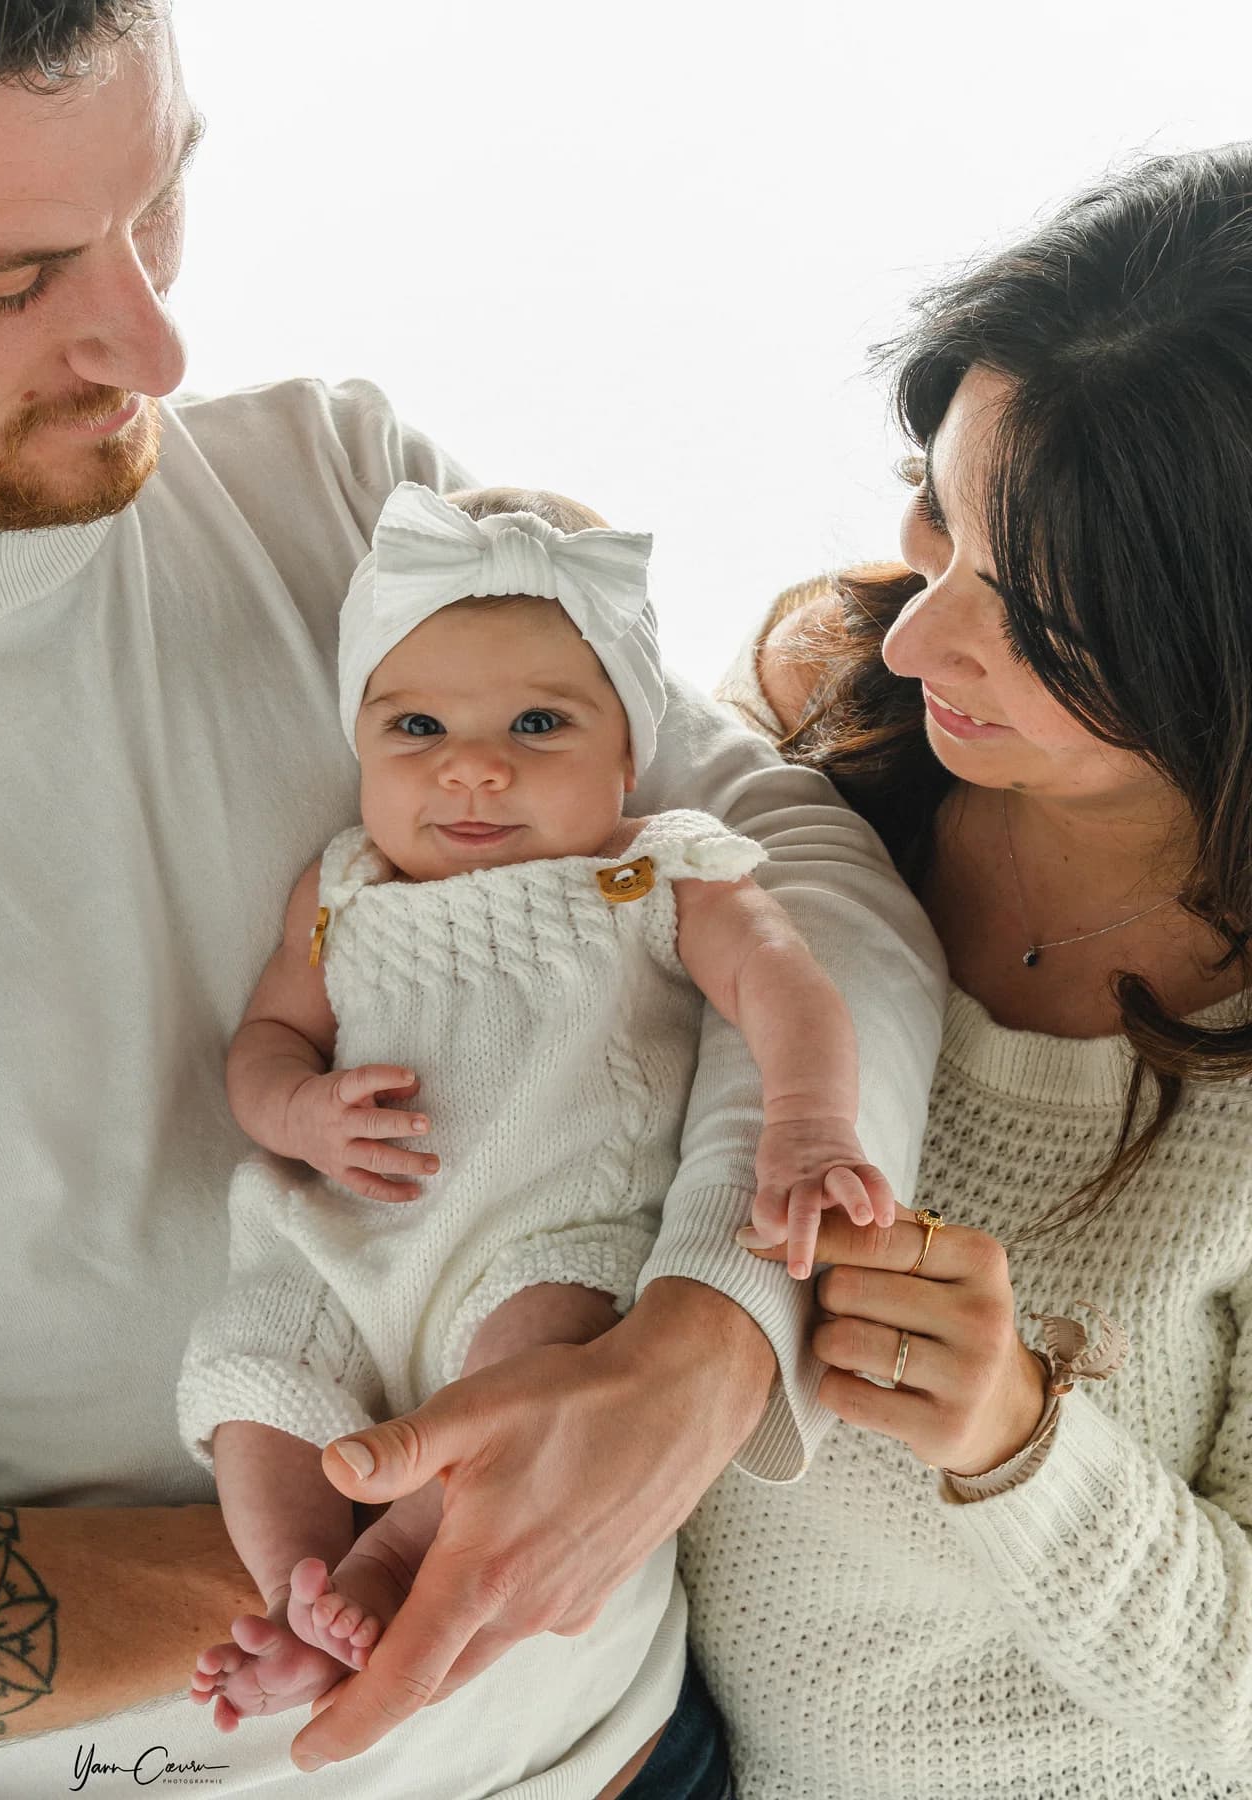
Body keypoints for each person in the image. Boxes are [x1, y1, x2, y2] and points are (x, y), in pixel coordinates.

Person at [0, 5, 946, 1796]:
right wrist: (391, 1565)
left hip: (631, 1753)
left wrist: (708, 1342)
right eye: (6, 280)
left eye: (160, 204)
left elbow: (793, 876)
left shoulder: (349, 502)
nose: (156, 343)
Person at [689, 145, 1252, 1797]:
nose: (922, 637)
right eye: (939, 511)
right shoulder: (825, 715)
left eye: (1035, 616)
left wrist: (1018, 1436)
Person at [177, 481, 894, 1739]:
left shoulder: (655, 871)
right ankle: (296, 1589)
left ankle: (392, 1566)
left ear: (628, 754)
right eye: (414, 726)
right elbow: (265, 1042)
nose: (474, 763)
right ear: (359, 745)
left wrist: (810, 1126)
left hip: (547, 1237)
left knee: (541, 1359)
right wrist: (300, 1112)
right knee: (254, 1376)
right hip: (347, 1241)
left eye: (537, 722)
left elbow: (788, 982)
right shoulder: (341, 886)